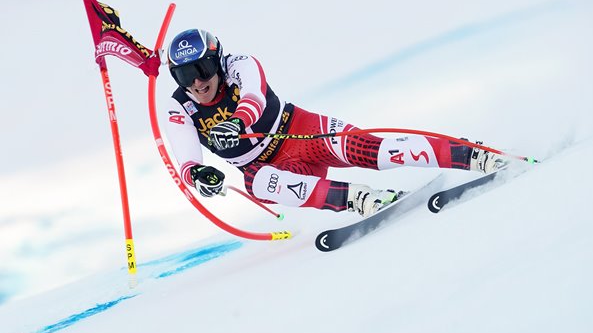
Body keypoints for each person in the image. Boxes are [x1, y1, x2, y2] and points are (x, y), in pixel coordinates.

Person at [164, 29, 505, 217]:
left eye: (201, 70)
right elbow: (186, 158)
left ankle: (470, 154)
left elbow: (254, 96)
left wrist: (238, 122)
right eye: (183, 75)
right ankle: (359, 199)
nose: (196, 82)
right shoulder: (179, 106)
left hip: (300, 131)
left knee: (374, 151)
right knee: (262, 183)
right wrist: (197, 175)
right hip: (264, 168)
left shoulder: (239, 64)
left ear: (216, 60)